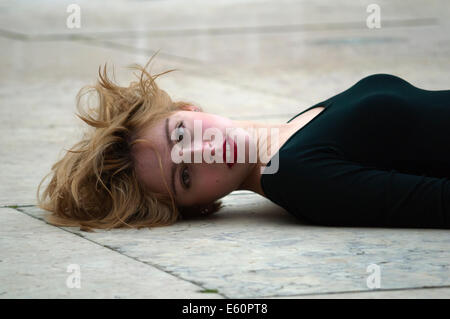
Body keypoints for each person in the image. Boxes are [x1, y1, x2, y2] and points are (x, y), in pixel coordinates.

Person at [37, 53, 450, 231]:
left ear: (187, 108)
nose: (207, 150)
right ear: (198, 206)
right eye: (185, 176)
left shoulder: (289, 134)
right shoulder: (301, 176)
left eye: (180, 133)